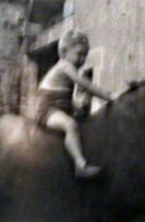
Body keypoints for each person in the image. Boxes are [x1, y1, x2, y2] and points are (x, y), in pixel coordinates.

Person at [35, 29, 111, 179]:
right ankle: (80, 165)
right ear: (64, 52)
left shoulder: (70, 68)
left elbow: (66, 96)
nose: (82, 59)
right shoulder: (65, 65)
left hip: (59, 107)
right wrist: (108, 97)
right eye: (78, 54)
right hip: (48, 110)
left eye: (85, 55)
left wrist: (76, 106)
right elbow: (85, 84)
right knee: (70, 125)